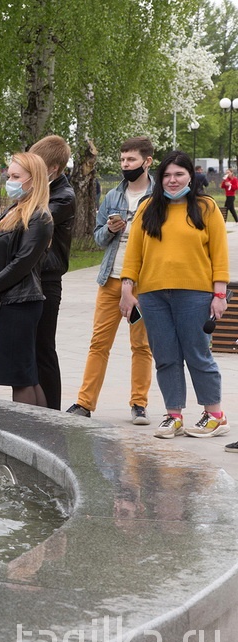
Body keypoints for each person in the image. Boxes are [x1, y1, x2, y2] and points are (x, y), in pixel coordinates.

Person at [119, 150, 230, 439]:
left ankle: (215, 415)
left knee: (197, 353)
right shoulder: (148, 208)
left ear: (190, 176)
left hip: (195, 294)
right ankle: (174, 415)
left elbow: (219, 254)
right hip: (153, 295)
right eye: (167, 175)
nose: (172, 180)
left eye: (179, 174)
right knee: (165, 356)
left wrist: (220, 294)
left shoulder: (206, 208)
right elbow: (133, 254)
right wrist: (127, 291)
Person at [66, 136, 154, 423]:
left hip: (142, 284)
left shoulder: (158, 198)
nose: (125, 165)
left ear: (147, 162)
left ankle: (139, 404)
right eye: (122, 160)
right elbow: (98, 238)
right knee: (98, 344)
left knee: (141, 346)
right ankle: (84, 403)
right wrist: (112, 230)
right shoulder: (113, 196)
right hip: (111, 280)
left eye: (131, 160)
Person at [0, 152, 54, 406]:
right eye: (10, 174)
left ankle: (28, 433)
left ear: (34, 180)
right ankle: (42, 431)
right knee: (24, 376)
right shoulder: (13, 210)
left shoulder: (39, 217)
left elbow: (21, 264)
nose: (10, 180)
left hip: (20, 303)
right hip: (6, 303)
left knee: (21, 377)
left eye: (17, 176)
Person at [28, 135, 77, 410]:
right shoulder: (43, 191)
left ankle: (52, 412)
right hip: (33, 276)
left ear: (53, 169)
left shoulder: (62, 196)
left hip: (47, 279)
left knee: (43, 348)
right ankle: (36, 409)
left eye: (38, 166)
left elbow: (30, 223)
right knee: (32, 350)